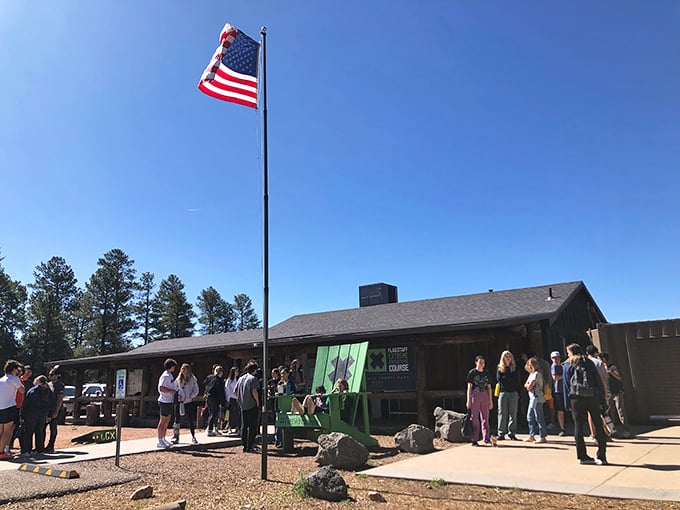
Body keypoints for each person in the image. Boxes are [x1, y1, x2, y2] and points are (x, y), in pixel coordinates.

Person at [565, 343, 607, 465]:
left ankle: (582, 456)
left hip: (575, 397)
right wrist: (602, 398)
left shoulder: (568, 364)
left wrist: (567, 401)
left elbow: (566, 384)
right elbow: (597, 380)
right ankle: (602, 455)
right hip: (591, 396)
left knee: (578, 425)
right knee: (598, 424)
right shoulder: (589, 362)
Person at [20, 375, 54, 456]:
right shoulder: (49, 390)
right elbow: (52, 403)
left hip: (31, 413)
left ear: (38, 381)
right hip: (43, 413)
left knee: (29, 432)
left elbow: (26, 403)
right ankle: (40, 449)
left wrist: (22, 415)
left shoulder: (33, 390)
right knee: (40, 431)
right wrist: (49, 414)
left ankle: (28, 450)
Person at [599, 352, 631, 439]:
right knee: (608, 412)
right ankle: (612, 431)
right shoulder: (600, 368)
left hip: (617, 392)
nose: (601, 360)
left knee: (621, 411)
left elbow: (619, 377)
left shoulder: (612, 367)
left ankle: (626, 430)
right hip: (608, 393)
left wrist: (610, 371)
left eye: (602, 359)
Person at [585, 345, 611, 441]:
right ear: (596, 353)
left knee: (590, 413)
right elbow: (603, 379)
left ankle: (593, 433)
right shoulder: (598, 363)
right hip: (598, 390)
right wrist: (606, 392)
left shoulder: (584, 363)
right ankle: (606, 432)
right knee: (602, 412)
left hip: (587, 390)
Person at [466, 355, 493, 446]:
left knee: (485, 417)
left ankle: (486, 438)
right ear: (476, 362)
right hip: (475, 394)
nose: (482, 364)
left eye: (483, 362)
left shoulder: (486, 373)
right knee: (474, 418)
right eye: (480, 362)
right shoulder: (472, 373)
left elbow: (489, 387)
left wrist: (490, 400)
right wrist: (468, 400)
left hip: (484, 394)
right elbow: (469, 387)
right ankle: (474, 438)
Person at [0, 360, 25, 459]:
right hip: (9, 407)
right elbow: (22, 390)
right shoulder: (14, 378)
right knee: (8, 431)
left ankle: (2, 450)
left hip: (1, 407)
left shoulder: (1, 379)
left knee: (1, 430)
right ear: (14, 369)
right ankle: (1, 452)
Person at [496, 350, 520, 441]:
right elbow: (499, 379)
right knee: (502, 413)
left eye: (509, 356)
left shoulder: (514, 368)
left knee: (513, 413)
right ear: (503, 358)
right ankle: (501, 433)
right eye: (506, 356)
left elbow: (517, 380)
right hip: (503, 392)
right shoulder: (499, 368)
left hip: (513, 392)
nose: (508, 358)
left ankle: (512, 433)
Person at [236, 362, 260, 453]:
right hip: (251, 404)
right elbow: (254, 391)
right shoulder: (253, 379)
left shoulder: (241, 378)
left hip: (242, 405)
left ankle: (245, 445)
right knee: (252, 426)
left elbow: (235, 391)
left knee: (244, 426)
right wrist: (257, 402)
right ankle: (250, 445)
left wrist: (240, 400)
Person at [174, 363, 200, 444]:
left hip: (188, 401)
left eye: (184, 369)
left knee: (190, 419)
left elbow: (196, 390)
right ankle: (176, 436)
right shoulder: (178, 379)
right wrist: (177, 396)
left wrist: (191, 397)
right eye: (182, 368)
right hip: (179, 401)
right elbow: (175, 388)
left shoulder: (193, 379)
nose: (183, 370)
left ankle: (193, 436)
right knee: (177, 418)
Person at [523, 357, 547, 443]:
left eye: (530, 365)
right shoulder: (531, 374)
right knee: (530, 416)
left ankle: (542, 436)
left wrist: (529, 385)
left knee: (539, 417)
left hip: (537, 397)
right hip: (532, 398)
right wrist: (528, 384)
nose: (529, 366)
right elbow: (526, 385)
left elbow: (530, 385)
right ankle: (531, 435)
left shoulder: (537, 374)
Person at [157, 358, 178, 449]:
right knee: (163, 420)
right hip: (164, 400)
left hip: (169, 401)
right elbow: (161, 388)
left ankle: (163, 438)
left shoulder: (170, 375)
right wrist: (171, 391)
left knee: (167, 420)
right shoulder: (165, 376)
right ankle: (160, 439)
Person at [45, 365, 64, 453]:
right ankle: (41, 445)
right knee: (42, 428)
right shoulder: (48, 384)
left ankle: (51, 445)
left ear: (56, 375)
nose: (50, 376)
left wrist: (56, 411)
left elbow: (60, 399)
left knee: (53, 428)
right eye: (49, 375)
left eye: (51, 374)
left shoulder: (59, 385)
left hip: (55, 409)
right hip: (47, 409)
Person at [203, 365, 227, 436]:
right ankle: (210, 429)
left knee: (211, 414)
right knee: (214, 414)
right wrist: (222, 402)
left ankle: (211, 428)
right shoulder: (219, 381)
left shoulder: (210, 377)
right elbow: (220, 392)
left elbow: (204, 383)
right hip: (215, 399)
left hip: (208, 397)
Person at [550, 351, 567, 436]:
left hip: (565, 389)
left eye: (557, 358)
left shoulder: (563, 366)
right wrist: (565, 376)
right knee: (560, 410)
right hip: (558, 390)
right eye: (554, 358)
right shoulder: (554, 366)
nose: (556, 359)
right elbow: (555, 377)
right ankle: (562, 428)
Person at [225, 366, 241, 434]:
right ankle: (230, 427)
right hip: (231, 398)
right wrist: (228, 399)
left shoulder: (239, 380)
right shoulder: (229, 380)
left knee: (238, 413)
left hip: (237, 398)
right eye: (236, 371)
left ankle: (238, 427)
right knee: (231, 413)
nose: (237, 373)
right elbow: (227, 390)